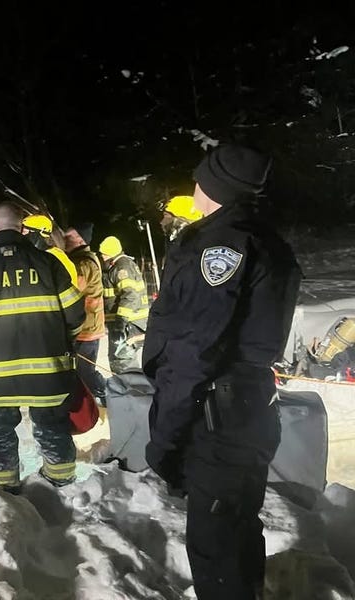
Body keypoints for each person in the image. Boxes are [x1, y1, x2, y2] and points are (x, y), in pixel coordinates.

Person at [143, 145, 302, 599]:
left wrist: (165, 439)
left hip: (218, 420)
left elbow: (194, 351)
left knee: (215, 549)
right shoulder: (259, 237)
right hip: (246, 410)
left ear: (212, 187)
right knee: (237, 531)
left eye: (198, 179)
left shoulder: (221, 246)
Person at [0, 202, 85, 492]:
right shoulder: (49, 263)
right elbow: (75, 315)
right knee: (52, 425)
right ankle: (62, 484)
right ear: (21, 228)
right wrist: (62, 339)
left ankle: (5, 490)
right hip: (47, 372)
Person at [63, 223, 106, 404]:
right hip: (86, 326)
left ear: (80, 239)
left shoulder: (83, 263)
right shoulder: (82, 259)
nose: (64, 239)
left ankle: (107, 395)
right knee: (82, 371)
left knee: (85, 372)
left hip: (87, 328)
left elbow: (71, 288)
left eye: (69, 236)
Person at [98, 235, 149, 373]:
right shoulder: (121, 265)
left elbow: (130, 295)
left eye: (103, 254)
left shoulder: (121, 268)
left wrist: (121, 321)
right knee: (121, 362)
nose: (101, 257)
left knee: (121, 363)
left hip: (128, 325)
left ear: (111, 254)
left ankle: (128, 392)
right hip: (130, 324)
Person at [21, 214, 79, 287]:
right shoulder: (34, 256)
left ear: (39, 234)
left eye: (25, 231)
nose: (21, 235)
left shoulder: (57, 258)